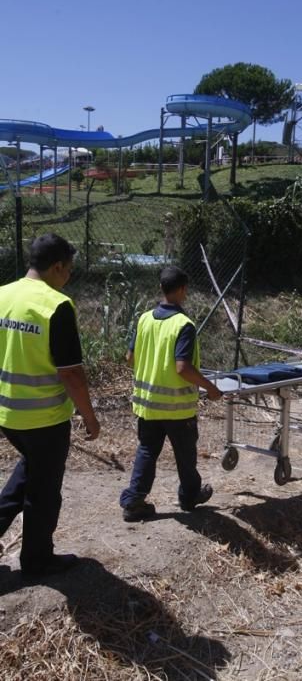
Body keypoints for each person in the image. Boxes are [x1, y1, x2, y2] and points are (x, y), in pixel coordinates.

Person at [0, 233, 100, 578]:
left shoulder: (3, 295)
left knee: (28, 474)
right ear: (57, 267)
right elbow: (71, 373)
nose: (69, 276)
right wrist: (90, 417)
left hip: (7, 415)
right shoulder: (55, 305)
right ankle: (37, 560)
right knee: (43, 494)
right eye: (69, 270)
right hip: (43, 418)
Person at [120, 266, 223, 522]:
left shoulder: (144, 318)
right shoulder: (183, 324)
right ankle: (189, 497)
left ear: (161, 288)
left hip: (147, 405)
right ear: (182, 290)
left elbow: (130, 357)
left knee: (147, 451)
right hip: (177, 408)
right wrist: (210, 388)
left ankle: (134, 500)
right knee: (185, 454)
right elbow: (182, 367)